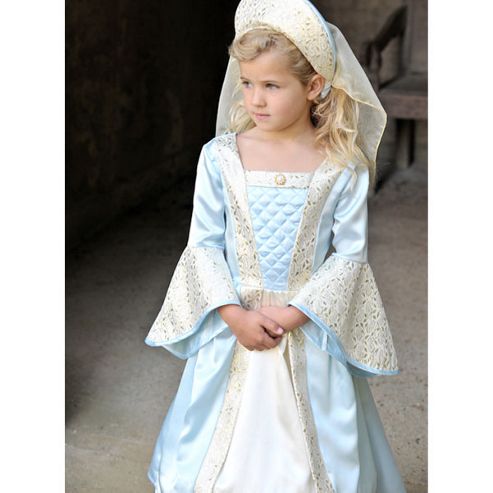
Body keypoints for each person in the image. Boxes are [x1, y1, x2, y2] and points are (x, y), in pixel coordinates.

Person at [144, 0, 406, 491]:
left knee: (315, 451)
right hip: (235, 324)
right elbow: (203, 247)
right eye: (246, 83)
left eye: (271, 86)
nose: (254, 100)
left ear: (314, 86)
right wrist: (233, 316)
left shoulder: (341, 166)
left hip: (303, 322)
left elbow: (349, 258)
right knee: (218, 445)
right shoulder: (220, 157)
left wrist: (291, 314)